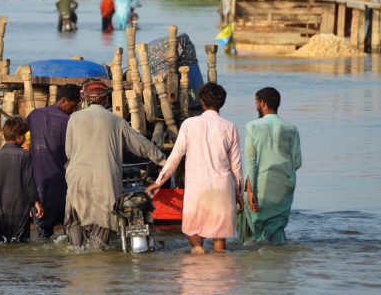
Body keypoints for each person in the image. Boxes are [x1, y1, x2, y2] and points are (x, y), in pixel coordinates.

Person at [64, 80, 166, 250]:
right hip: (105, 182)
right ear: (106, 100)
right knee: (100, 236)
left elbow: (69, 151)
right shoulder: (116, 120)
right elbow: (142, 145)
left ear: (86, 98)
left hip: (77, 179)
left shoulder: (74, 118)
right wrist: (164, 161)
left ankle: (76, 257)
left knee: (76, 228)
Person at [146, 83, 243, 253]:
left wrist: (159, 182)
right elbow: (236, 166)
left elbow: (175, 156)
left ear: (202, 103)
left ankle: (197, 263)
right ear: (222, 103)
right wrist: (239, 194)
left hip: (197, 187)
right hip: (222, 187)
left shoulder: (190, 124)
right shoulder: (230, 127)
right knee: (219, 239)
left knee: (195, 234)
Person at [236, 87, 302, 246]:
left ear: (263, 103)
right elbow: (297, 162)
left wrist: (251, 191)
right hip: (285, 185)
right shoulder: (291, 128)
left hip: (262, 184)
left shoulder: (252, 126)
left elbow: (251, 161)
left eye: (256, 103)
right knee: (277, 227)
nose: (256, 106)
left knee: (254, 229)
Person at [26, 84, 81, 238]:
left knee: (43, 232)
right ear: (64, 101)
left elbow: (24, 136)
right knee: (68, 228)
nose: (73, 109)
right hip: (60, 184)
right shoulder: (68, 122)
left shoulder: (35, 115)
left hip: (38, 184)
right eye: (73, 105)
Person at [0, 116, 44, 243]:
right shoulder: (25, 156)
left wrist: (0, 192)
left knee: (0, 241)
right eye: (24, 135)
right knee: (20, 242)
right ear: (18, 136)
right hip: (19, 206)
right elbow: (29, 182)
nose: (25, 139)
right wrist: (36, 202)